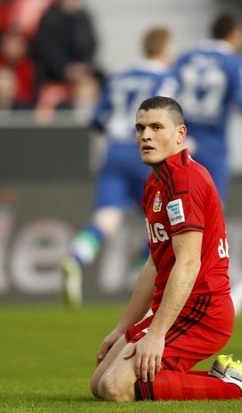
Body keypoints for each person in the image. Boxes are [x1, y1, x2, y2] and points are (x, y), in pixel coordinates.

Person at [90, 95, 242, 401]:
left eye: (157, 127)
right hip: (178, 309)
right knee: (99, 383)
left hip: (202, 311)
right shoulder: (156, 182)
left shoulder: (186, 180)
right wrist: (122, 328)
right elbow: (155, 265)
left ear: (180, 134)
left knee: (116, 388)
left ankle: (237, 389)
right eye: (140, 128)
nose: (146, 136)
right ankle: (218, 378)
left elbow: (189, 263)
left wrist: (155, 334)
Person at [61, 27, 176, 306]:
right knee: (159, 225)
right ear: (164, 49)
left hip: (114, 153)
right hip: (145, 155)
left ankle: (75, 257)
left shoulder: (119, 78)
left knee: (106, 219)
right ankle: (140, 287)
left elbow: (96, 121)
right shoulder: (166, 80)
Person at [169, 13, 242, 314]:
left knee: (178, 217)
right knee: (209, 221)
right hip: (212, 150)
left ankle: (156, 282)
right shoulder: (234, 63)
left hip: (183, 143)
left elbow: (165, 92)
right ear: (234, 34)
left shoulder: (185, 58)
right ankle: (222, 291)